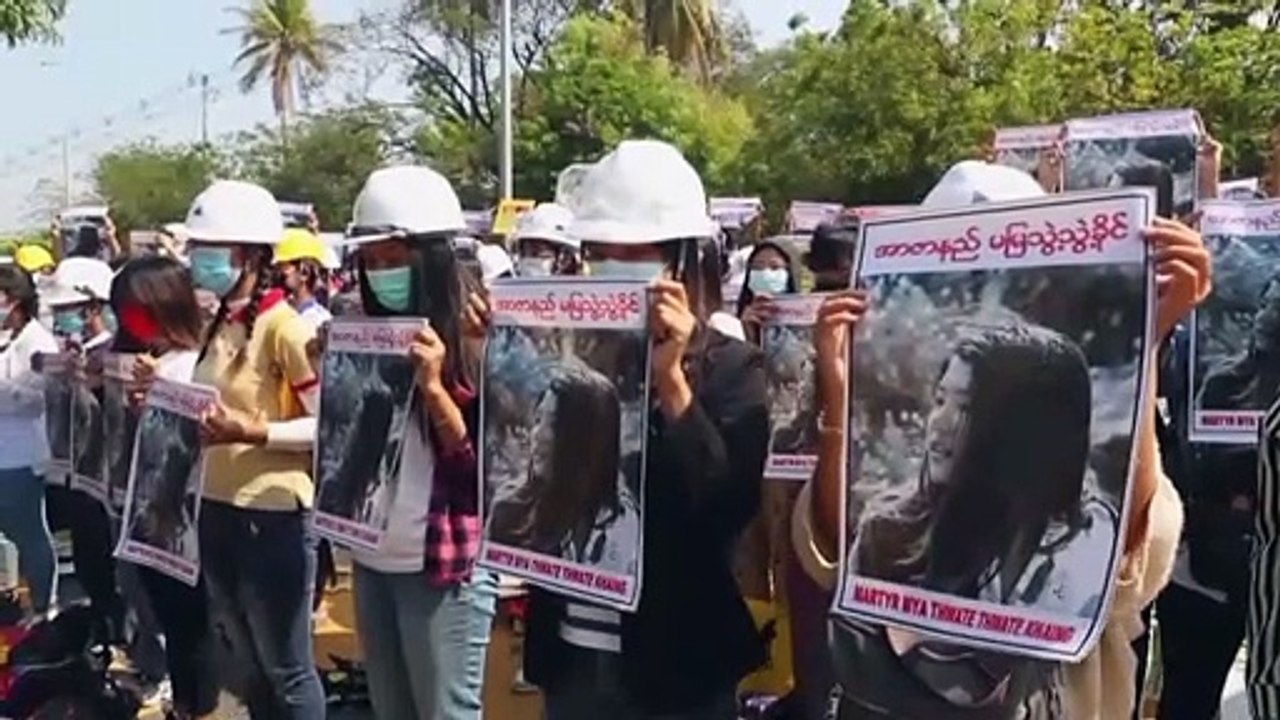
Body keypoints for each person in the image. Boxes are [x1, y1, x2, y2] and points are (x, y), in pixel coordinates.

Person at [792, 160, 1206, 719]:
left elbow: (1134, 571)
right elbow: (825, 556)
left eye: (965, 409)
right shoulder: (894, 527)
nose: (939, 426)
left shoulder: (1081, 536)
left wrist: (1145, 347)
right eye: (941, 401)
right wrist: (839, 397)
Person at [520, 140, 770, 718]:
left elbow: (725, 505)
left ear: (680, 260)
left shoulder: (733, 367)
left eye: (636, 251)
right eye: (602, 251)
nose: (615, 264)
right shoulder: (565, 358)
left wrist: (671, 381)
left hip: (673, 664)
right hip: (573, 655)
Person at [343, 165, 497, 720]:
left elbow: (479, 469)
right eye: (372, 262)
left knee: (445, 713)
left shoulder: (477, 335)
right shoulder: (360, 334)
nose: (381, 273)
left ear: (430, 257)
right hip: (372, 555)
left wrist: (434, 388)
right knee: (392, 709)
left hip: (440, 565)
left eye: (394, 260)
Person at [182, 179, 326, 718]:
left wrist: (255, 433)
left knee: (287, 667)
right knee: (247, 664)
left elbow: (327, 426)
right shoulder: (217, 325)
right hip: (218, 510)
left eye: (208, 250)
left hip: (274, 517)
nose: (197, 260)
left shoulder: (284, 330)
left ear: (247, 254)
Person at [111, 255, 220, 720]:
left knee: (191, 624)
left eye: (136, 310)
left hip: (193, 515)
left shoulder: (198, 361)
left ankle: (199, 706)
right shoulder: (152, 360)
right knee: (172, 619)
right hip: (153, 511)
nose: (129, 322)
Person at [40, 258, 129, 646]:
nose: (61, 318)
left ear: (93, 308)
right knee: (88, 557)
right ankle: (105, 631)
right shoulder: (72, 353)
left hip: (109, 479)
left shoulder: (115, 350)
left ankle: (129, 639)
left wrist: (95, 381)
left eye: (67, 310)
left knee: (110, 563)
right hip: (77, 475)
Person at [486, 362, 641, 575]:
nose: (537, 435)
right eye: (538, 420)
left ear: (587, 441)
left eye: (552, 424)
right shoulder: (509, 513)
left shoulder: (624, 525)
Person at [0, 266, 60, 615]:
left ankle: (44, 606)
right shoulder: (6, 337)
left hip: (21, 457)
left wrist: (4, 393)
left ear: (16, 301)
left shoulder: (38, 342)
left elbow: (37, 398)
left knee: (30, 535)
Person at [737, 237, 802, 345]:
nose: (765, 273)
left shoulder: (806, 320)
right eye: (757, 267)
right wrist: (746, 332)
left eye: (774, 267)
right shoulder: (735, 323)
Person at [275, 228, 335, 327]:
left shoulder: (318, 320)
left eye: (284, 266)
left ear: (305, 272)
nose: (278, 272)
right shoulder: (276, 314)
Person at [512, 202, 580, 277]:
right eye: (525, 252)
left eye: (539, 254)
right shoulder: (512, 287)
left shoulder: (583, 288)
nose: (529, 260)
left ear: (564, 259)